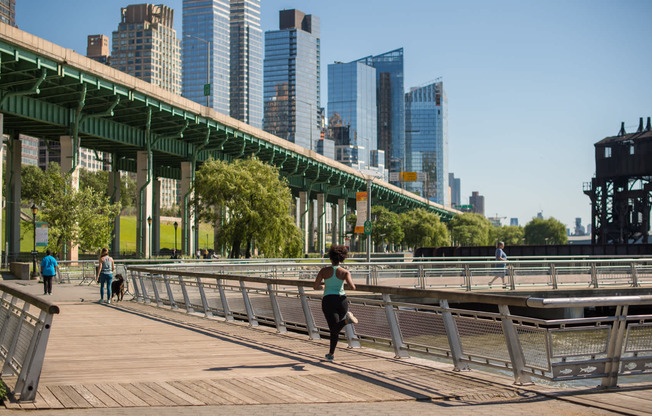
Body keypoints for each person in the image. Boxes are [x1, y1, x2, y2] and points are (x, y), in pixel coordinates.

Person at [313, 245, 358, 362]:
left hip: (329, 301)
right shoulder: (345, 272)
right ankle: (330, 354)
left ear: (330, 257)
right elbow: (353, 287)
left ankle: (347, 321)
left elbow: (315, 286)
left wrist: (324, 285)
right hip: (342, 301)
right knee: (335, 329)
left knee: (333, 328)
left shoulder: (324, 271)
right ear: (342, 258)